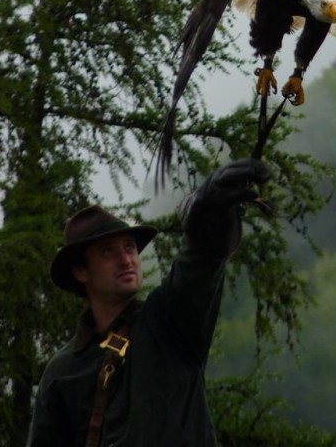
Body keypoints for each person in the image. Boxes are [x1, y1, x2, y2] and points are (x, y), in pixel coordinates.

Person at [26, 158, 271, 447]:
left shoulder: (170, 322)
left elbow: (199, 263)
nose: (126, 258)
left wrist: (210, 214)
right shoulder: (62, 372)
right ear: (81, 271)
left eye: (130, 247)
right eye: (108, 251)